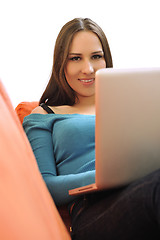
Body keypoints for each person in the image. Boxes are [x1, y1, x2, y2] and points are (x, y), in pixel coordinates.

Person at [23, 18, 160, 240]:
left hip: (144, 186)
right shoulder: (43, 116)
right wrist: (108, 176)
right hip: (93, 210)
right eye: (75, 58)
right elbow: (45, 187)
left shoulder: (132, 104)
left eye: (96, 56)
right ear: (61, 63)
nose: (88, 69)